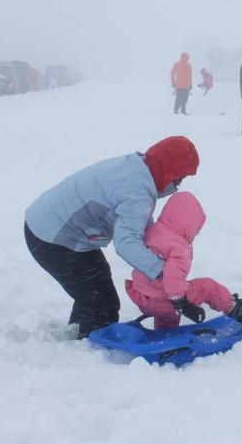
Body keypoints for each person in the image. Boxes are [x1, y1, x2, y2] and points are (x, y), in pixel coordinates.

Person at [24, 136, 199, 339]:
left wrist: (162, 256)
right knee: (102, 303)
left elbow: (138, 222)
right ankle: (89, 350)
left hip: (51, 227)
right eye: (179, 178)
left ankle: (78, 333)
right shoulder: (138, 190)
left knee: (94, 285)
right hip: (53, 238)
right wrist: (163, 272)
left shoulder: (137, 170)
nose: (177, 185)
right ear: (169, 171)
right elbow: (126, 242)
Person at [124, 191, 242, 328]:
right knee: (208, 287)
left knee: (167, 298)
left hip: (141, 295)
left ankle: (166, 331)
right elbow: (173, 278)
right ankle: (237, 310)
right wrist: (182, 304)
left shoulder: (152, 232)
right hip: (161, 300)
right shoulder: (177, 246)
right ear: (188, 226)